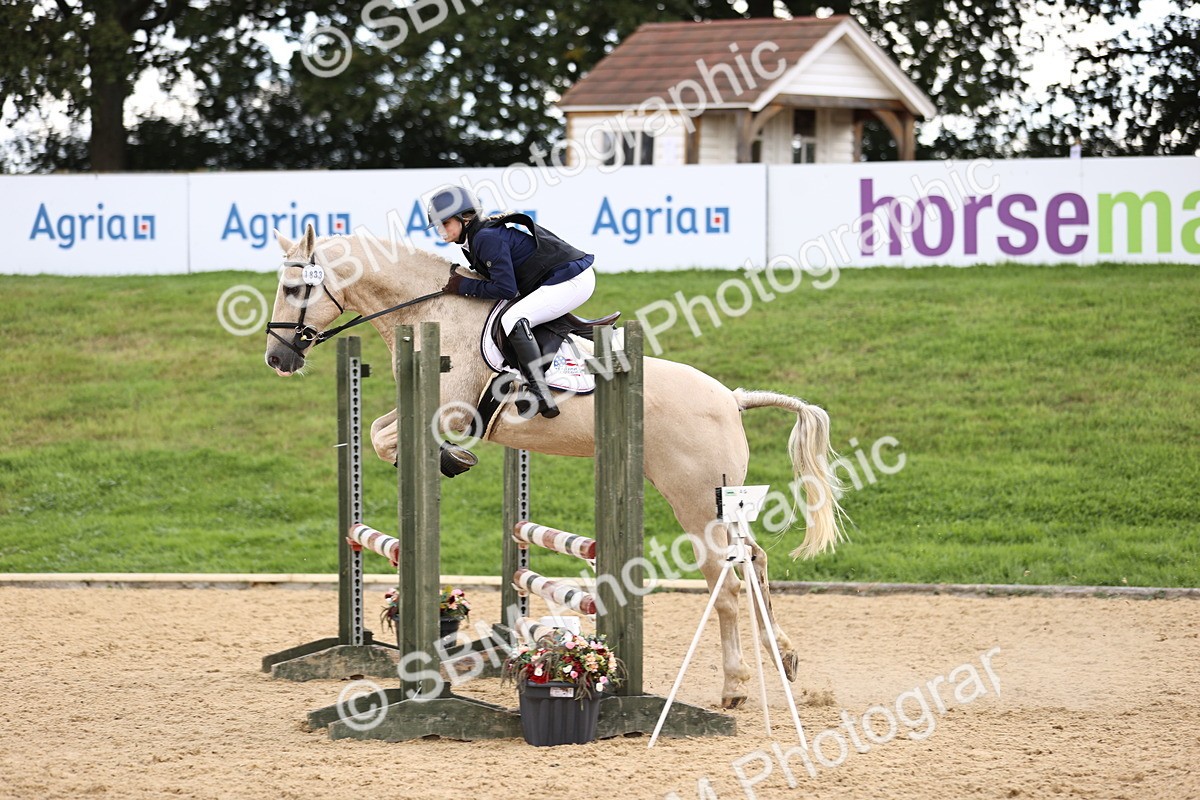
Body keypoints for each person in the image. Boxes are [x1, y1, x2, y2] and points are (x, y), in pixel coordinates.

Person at [425, 185, 596, 419]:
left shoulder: (485, 238)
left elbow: (506, 289)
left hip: (571, 280)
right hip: (555, 278)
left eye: (444, 223)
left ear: (464, 218)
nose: (440, 231)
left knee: (513, 317)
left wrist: (462, 286)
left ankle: (539, 390)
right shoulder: (474, 239)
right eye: (437, 226)